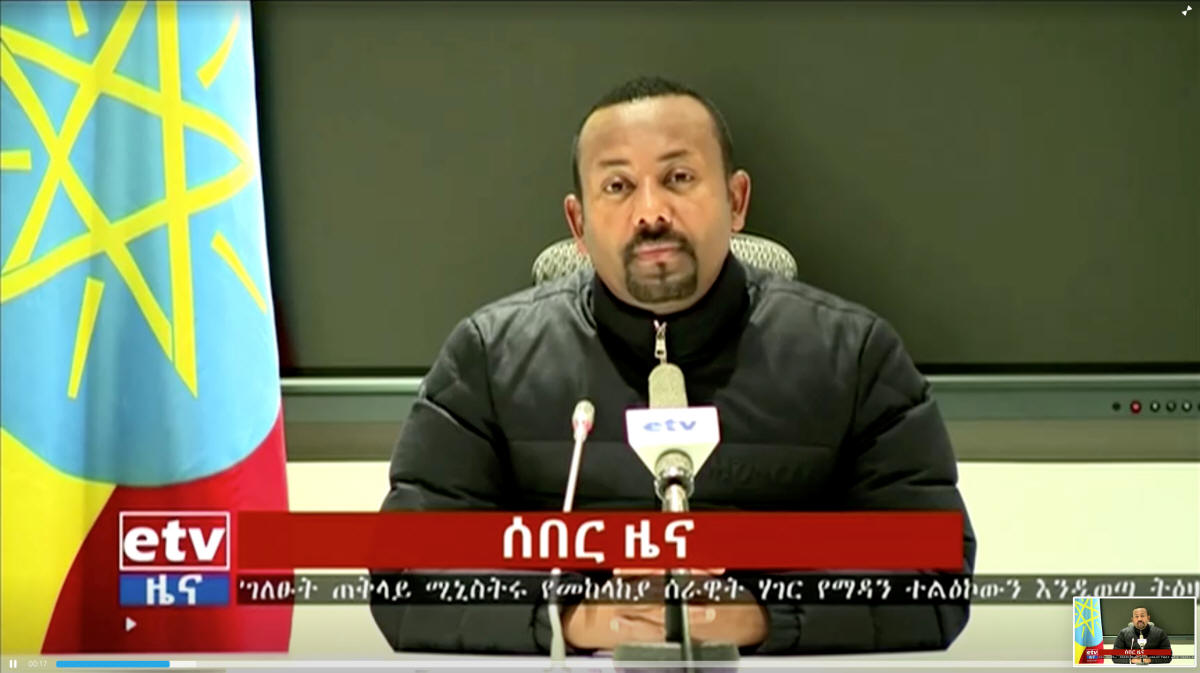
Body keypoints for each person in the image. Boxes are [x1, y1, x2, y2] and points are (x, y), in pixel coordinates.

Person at [370, 75, 976, 655]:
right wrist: (572, 617)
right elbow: (405, 574)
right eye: (618, 186)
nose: (650, 212)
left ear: (736, 201)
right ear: (578, 224)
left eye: (678, 177)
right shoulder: (488, 358)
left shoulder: (854, 355)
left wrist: (763, 613)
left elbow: (936, 571)